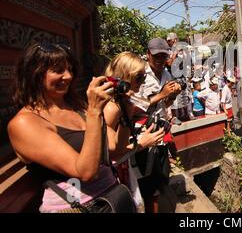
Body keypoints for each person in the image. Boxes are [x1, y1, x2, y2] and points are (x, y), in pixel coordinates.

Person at [7, 42, 121, 213]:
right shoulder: (24, 123)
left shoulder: (76, 105)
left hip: (113, 196)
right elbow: (85, 172)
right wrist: (95, 111)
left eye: (70, 69)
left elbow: (115, 148)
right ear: (34, 73)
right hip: (76, 207)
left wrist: (125, 111)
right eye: (58, 70)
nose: (68, 76)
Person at [102, 52, 167, 212]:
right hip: (113, 173)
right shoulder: (112, 107)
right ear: (124, 76)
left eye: (144, 78)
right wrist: (142, 144)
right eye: (139, 78)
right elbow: (113, 152)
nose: (142, 83)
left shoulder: (123, 101)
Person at [136, 38, 182, 213]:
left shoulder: (167, 75)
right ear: (148, 54)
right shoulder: (140, 74)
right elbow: (133, 106)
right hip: (144, 134)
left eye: (163, 56)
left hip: (161, 132)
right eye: (156, 56)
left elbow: (166, 105)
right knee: (148, 184)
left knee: (161, 179)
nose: (160, 60)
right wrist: (162, 94)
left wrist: (172, 96)